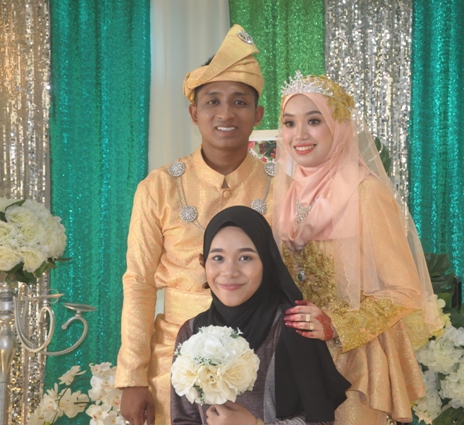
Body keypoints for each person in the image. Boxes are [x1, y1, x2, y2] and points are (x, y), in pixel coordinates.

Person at [117, 25, 276, 425]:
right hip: (174, 359)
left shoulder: (283, 187)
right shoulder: (159, 187)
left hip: (262, 355)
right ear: (194, 113)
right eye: (212, 102)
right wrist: (132, 376)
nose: (225, 114)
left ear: (257, 114)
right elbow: (139, 282)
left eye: (239, 102)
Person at [272, 73, 443, 424]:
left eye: (314, 121)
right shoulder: (286, 197)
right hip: (298, 361)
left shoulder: (366, 193)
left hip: (356, 363)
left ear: (339, 126)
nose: (299, 135)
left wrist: (336, 324)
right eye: (289, 123)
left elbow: (404, 291)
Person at [171, 206, 350, 425]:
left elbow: (320, 421)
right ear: (203, 262)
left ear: (267, 262)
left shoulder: (291, 324)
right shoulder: (191, 333)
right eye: (218, 257)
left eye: (245, 257)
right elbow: (184, 419)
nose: (230, 271)